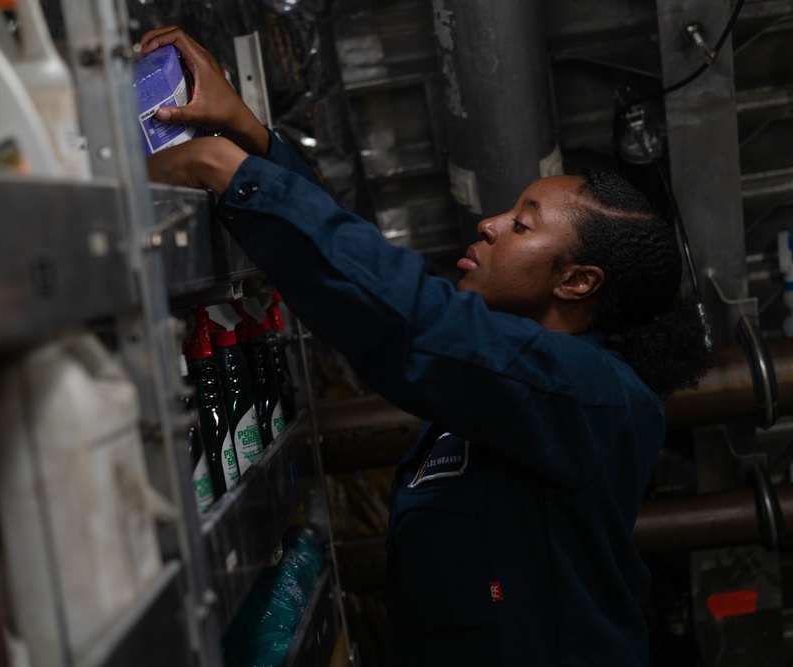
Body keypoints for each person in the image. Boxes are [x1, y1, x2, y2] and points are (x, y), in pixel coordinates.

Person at [139, 26, 712, 667]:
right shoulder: (521, 384)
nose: (488, 224)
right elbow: (363, 274)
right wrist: (251, 136)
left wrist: (226, 171)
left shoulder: (595, 397)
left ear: (577, 282)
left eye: (521, 224)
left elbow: (411, 317)